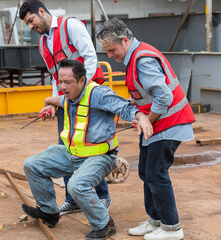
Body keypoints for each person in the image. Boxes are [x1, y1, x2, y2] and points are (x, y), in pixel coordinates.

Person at [21, 59, 152, 239]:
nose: (62, 87)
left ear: (82, 81)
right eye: (60, 81)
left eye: (68, 82)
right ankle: (49, 213)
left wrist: (141, 117)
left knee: (76, 185)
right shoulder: (69, 96)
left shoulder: (99, 94)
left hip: (100, 157)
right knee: (32, 165)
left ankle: (104, 224)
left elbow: (124, 107)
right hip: (72, 153)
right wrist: (49, 104)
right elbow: (55, 99)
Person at [96, 18, 196, 240]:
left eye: (112, 50)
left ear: (125, 40)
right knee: (145, 171)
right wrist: (136, 106)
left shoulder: (142, 60)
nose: (110, 56)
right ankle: (156, 220)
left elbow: (165, 96)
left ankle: (172, 228)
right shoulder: (135, 57)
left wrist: (147, 120)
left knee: (156, 173)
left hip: (170, 123)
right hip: (158, 124)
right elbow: (147, 93)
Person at [19, 0, 110, 216]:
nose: (31, 27)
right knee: (67, 147)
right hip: (67, 101)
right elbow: (55, 76)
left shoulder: (71, 26)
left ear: (41, 11)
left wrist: (82, 92)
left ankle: (102, 196)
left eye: (31, 20)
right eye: (28, 24)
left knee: (91, 146)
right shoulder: (43, 43)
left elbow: (90, 57)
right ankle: (73, 199)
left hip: (88, 96)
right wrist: (53, 102)